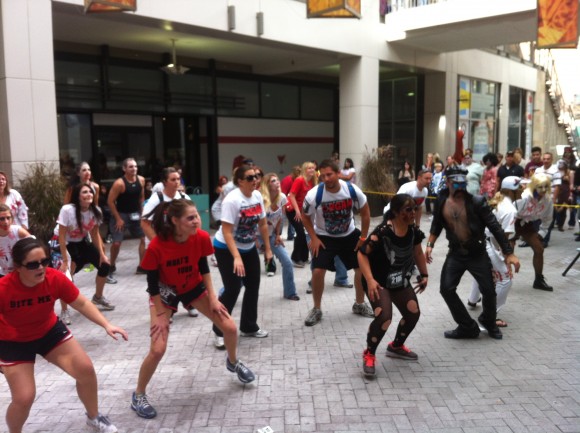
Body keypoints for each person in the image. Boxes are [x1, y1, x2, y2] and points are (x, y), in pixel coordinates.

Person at [131, 200, 254, 419]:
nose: (197, 220)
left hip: (192, 286)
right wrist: (160, 314)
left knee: (230, 328)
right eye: (190, 218)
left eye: (197, 215)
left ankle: (233, 362)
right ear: (175, 221)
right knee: (158, 349)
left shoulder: (201, 237)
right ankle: (138, 395)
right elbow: (151, 283)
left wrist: (214, 299)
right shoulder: (158, 245)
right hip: (165, 291)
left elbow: (204, 267)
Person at [0, 237, 127, 433]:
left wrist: (106, 324)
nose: (41, 268)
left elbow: (82, 303)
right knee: (24, 397)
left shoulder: (54, 278)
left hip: (48, 331)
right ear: (18, 266)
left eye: (45, 261)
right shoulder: (4, 288)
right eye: (33, 264)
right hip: (14, 340)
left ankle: (94, 417)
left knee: (85, 370)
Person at [425, 167, 520, 340]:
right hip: (455, 254)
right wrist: (430, 244)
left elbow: (494, 226)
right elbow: (437, 225)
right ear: (448, 183)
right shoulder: (441, 201)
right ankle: (467, 326)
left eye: (463, 184)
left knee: (489, 292)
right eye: (456, 184)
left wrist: (508, 252)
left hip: (477, 253)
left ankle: (489, 322)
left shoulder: (477, 202)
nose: (460, 187)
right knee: (446, 289)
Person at [358, 193, 429, 377]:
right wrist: (370, 280)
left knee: (413, 313)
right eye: (408, 209)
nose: (413, 212)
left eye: (414, 208)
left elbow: (418, 253)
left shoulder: (413, 231)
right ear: (396, 212)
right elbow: (362, 253)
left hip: (398, 279)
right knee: (384, 318)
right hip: (377, 281)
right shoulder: (383, 232)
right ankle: (369, 354)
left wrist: (424, 274)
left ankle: (396, 346)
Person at [301, 159, 373, 326]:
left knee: (361, 268)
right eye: (322, 175)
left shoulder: (351, 190)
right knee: (318, 271)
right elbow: (305, 217)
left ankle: (360, 304)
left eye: (329, 174)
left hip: (349, 235)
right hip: (325, 236)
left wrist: (363, 238)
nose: (326, 179)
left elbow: (366, 213)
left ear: (338, 173)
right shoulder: (314, 195)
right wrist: (313, 237)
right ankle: (316, 309)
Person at [211, 165, 272, 348]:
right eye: (250, 177)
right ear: (240, 181)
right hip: (226, 248)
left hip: (248, 247)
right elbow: (227, 232)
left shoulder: (257, 196)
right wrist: (236, 257)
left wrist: (267, 249)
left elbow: (262, 224)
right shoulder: (232, 200)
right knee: (232, 289)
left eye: (257, 176)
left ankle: (249, 326)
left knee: (253, 286)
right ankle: (219, 330)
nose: (255, 180)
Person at [141, 167, 198, 318]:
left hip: (180, 245)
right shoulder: (157, 199)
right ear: (165, 182)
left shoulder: (184, 197)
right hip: (162, 246)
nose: (176, 182)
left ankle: (189, 303)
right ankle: (167, 308)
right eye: (173, 179)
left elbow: (194, 220)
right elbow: (145, 223)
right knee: (165, 279)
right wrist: (158, 245)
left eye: (178, 179)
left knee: (185, 274)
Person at [57, 183, 116, 325]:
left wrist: (102, 254)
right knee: (66, 276)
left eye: (90, 192)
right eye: (85, 192)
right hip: (64, 243)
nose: (89, 194)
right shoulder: (67, 210)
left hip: (82, 242)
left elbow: (94, 233)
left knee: (105, 265)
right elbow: (61, 235)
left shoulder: (96, 211)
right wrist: (65, 259)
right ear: (78, 197)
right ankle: (64, 311)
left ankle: (98, 297)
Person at [467, 176, 522, 327]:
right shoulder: (510, 210)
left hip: (477, 240)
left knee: (483, 271)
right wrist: (507, 260)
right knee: (506, 279)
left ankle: (472, 300)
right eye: (520, 188)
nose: (523, 190)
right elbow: (504, 239)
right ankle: (490, 316)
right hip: (486, 243)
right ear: (512, 191)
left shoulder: (499, 201)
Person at [259, 173, 299, 300]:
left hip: (271, 236)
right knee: (248, 270)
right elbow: (261, 224)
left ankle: (290, 292)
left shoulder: (282, 197)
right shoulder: (261, 199)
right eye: (273, 181)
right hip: (256, 236)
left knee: (287, 262)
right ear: (267, 185)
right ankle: (223, 294)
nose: (277, 182)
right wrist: (266, 248)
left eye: (277, 180)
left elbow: (279, 218)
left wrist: (277, 235)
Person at [513, 173, 554, 291]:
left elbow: (548, 218)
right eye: (540, 187)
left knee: (539, 249)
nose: (544, 190)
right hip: (513, 221)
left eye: (546, 186)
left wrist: (541, 233)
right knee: (507, 251)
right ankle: (501, 280)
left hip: (527, 224)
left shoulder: (547, 200)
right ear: (534, 186)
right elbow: (511, 212)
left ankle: (539, 280)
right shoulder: (524, 197)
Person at [107, 158, 146, 276]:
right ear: (124, 169)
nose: (134, 169)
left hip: (136, 214)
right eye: (130, 167)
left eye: (135, 166)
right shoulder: (119, 183)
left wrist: (143, 213)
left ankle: (142, 266)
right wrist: (118, 219)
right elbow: (110, 201)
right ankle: (111, 265)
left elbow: (141, 198)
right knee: (117, 243)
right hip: (121, 214)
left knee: (144, 239)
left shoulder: (141, 180)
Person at [287, 161, 317, 267]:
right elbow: (291, 195)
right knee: (300, 232)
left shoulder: (312, 181)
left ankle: (304, 257)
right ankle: (295, 258)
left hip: (303, 211)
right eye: (309, 168)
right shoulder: (299, 180)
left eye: (313, 168)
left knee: (304, 233)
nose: (312, 170)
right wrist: (297, 211)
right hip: (292, 210)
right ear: (305, 170)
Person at [0, 204, 31, 277]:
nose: (6, 222)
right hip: (3, 273)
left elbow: (34, 245)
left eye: (8, 218)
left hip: (21, 272)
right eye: (2, 219)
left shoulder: (17, 231)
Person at [280, 166, 301, 241]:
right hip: (284, 201)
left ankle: (291, 235)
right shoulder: (288, 180)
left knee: (291, 218)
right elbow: (282, 193)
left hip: (289, 202)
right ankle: (278, 234)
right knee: (282, 218)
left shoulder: (295, 179)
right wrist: (284, 205)